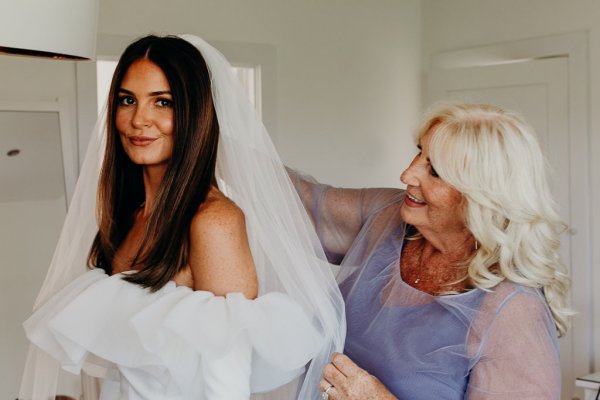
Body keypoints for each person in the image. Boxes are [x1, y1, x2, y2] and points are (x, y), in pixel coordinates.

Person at [18, 34, 345, 400]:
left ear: (194, 113)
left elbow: (227, 382)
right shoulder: (127, 216)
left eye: (163, 102)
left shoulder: (213, 221)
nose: (139, 119)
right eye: (127, 100)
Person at [290, 103, 571, 399]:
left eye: (434, 171)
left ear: (482, 197)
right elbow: (295, 201)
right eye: (418, 153)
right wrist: (235, 136)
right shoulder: (387, 217)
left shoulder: (514, 311)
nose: (407, 174)